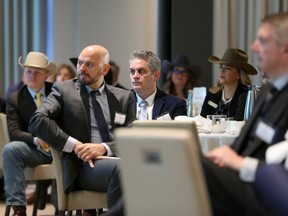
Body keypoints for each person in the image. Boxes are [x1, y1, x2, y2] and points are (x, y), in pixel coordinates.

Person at [28, 45, 135, 216]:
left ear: (105, 69)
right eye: (80, 63)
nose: (82, 68)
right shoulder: (64, 90)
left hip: (114, 157)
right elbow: (37, 120)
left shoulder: (123, 97)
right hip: (82, 165)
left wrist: (104, 147)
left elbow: (131, 135)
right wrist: (75, 145)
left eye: (89, 65)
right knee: (122, 170)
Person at [202, 11, 288, 216]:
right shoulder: (268, 91)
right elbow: (242, 143)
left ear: (285, 49)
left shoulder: (252, 94)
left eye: (263, 41)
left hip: (262, 191)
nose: (254, 46)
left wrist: (239, 164)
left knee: (192, 170)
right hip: (241, 180)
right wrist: (226, 159)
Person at [2, 51, 56, 216]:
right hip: (35, 149)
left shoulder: (57, 92)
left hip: (59, 148)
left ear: (46, 75)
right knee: (11, 149)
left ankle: (65, 208)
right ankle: (19, 208)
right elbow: (14, 132)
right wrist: (34, 140)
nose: (31, 76)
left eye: (37, 72)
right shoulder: (15, 98)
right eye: (28, 71)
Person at [200, 48, 257, 120]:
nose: (222, 71)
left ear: (238, 74)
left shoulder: (246, 95)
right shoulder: (212, 94)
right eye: (221, 67)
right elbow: (202, 119)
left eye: (228, 68)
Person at [129, 50, 187, 120]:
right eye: (132, 71)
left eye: (141, 71)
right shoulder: (120, 102)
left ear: (156, 75)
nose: (135, 76)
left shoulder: (175, 105)